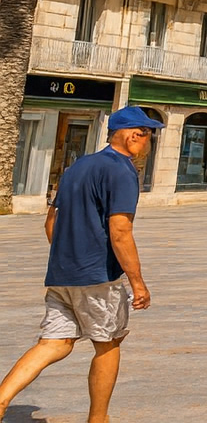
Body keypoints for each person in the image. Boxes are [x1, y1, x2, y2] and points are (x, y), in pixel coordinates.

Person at [0, 106, 163, 423]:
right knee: (108, 342)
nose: (148, 144)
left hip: (63, 274)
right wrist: (138, 282)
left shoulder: (79, 166)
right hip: (98, 277)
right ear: (133, 136)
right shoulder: (122, 171)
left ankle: (1, 399)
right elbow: (119, 231)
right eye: (148, 137)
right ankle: (98, 419)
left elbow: (51, 221)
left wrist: (68, 257)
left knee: (55, 343)